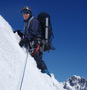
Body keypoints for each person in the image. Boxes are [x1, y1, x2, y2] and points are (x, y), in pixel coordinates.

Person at [19, 6, 51, 76]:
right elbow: (29, 33)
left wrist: (24, 40)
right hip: (34, 43)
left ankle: (47, 76)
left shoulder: (34, 21)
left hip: (37, 43)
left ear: (30, 13)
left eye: (27, 13)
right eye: (24, 13)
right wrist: (20, 34)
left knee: (38, 60)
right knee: (36, 60)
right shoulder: (27, 23)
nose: (25, 14)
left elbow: (33, 32)